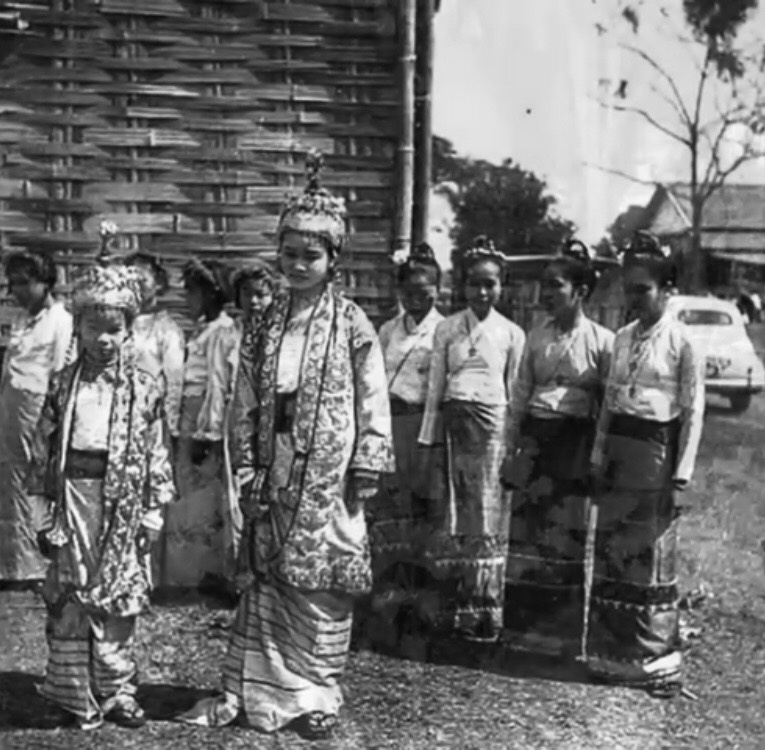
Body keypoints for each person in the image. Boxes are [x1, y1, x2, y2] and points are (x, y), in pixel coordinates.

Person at [179, 152, 393, 740]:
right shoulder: (264, 323)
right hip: (273, 462)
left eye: (311, 256)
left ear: (333, 260)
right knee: (270, 576)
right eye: (289, 253)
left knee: (322, 579)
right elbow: (246, 398)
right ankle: (261, 691)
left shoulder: (352, 323)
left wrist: (369, 457)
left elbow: (372, 393)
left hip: (330, 467)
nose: (298, 265)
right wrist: (247, 463)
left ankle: (318, 692)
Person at [31, 264, 175, 730]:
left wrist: (151, 513)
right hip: (73, 500)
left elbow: (157, 451)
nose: (104, 339)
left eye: (114, 329)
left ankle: (116, 690)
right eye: (93, 328)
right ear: (78, 327)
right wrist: (41, 512)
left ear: (129, 328)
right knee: (69, 590)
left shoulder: (144, 387)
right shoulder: (62, 384)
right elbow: (43, 451)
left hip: (122, 505)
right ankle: (69, 690)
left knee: (117, 593)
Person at [587, 230, 705, 697]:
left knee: (647, 554)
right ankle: (610, 654)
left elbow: (694, 411)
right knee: (613, 549)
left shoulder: (682, 341)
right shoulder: (621, 338)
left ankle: (649, 657)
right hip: (619, 451)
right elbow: (608, 403)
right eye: (628, 290)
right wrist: (598, 456)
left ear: (666, 289)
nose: (633, 299)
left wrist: (681, 477)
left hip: (656, 456)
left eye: (643, 290)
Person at [502, 240, 614, 658]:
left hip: (574, 446)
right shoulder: (536, 338)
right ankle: (520, 634)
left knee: (564, 537)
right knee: (528, 536)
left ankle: (561, 641)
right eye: (544, 285)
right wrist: (511, 450)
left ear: (580, 291)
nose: (546, 293)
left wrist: (597, 456)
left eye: (556, 285)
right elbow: (519, 397)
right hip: (535, 442)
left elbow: (606, 408)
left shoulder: (603, 342)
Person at [418, 236, 526, 641]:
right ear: (462, 285)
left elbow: (515, 394)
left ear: (501, 286)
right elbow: (435, 388)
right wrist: (428, 438)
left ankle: (484, 609)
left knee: (486, 513)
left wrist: (512, 445)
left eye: (490, 284)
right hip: (452, 426)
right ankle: (451, 607)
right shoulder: (446, 328)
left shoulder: (512, 333)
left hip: (492, 429)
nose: (482, 292)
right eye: (474, 284)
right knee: (453, 511)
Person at [373, 243, 445, 595]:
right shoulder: (388, 330)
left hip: (424, 425)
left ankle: (422, 586)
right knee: (390, 501)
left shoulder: (444, 330)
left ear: (438, 290)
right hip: (391, 423)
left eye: (424, 290)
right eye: (408, 290)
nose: (416, 297)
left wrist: (430, 436)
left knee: (422, 501)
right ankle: (390, 585)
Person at [162, 259, 238, 592]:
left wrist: (208, 432)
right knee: (186, 489)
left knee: (204, 493)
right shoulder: (202, 330)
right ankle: (188, 573)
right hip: (188, 414)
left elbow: (217, 384)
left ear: (210, 294)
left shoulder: (222, 331)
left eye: (192, 293)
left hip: (203, 415)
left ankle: (209, 573)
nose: (187, 300)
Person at [0, 249, 73, 588]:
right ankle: (14, 563)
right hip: (12, 405)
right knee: (10, 480)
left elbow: (60, 370)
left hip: (38, 407)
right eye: (13, 283)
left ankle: (37, 563)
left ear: (45, 283)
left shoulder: (61, 320)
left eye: (24, 283)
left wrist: (51, 419)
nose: (17, 290)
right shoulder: (21, 320)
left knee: (35, 480)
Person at [123, 251, 185, 445]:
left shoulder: (166, 330)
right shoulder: (118, 325)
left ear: (158, 283)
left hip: (150, 420)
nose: (135, 287)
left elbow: (174, 381)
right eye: (129, 282)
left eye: (141, 281)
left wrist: (170, 426)